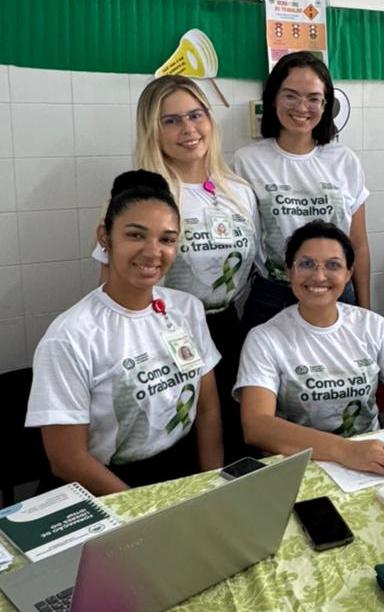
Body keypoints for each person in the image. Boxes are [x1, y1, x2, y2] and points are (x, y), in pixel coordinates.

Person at [93, 75, 258, 463]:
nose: (188, 129)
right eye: (171, 120)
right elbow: (112, 287)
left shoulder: (238, 191)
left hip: (226, 328)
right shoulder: (141, 197)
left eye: (195, 115)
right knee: (180, 449)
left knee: (232, 443)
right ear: (152, 130)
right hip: (161, 335)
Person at [27, 171, 223, 495]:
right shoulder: (70, 336)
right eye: (136, 235)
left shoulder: (187, 309)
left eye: (167, 240)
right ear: (105, 237)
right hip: (105, 487)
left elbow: (207, 409)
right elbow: (67, 459)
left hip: (178, 472)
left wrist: (213, 486)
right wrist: (142, 509)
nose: (153, 252)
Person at [235, 221, 384, 477]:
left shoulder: (371, 326)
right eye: (306, 264)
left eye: (333, 265)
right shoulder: (264, 338)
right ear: (289, 271)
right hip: (302, 467)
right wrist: (345, 450)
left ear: (349, 273)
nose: (319, 276)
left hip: (371, 462)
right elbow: (257, 426)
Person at [234, 51, 370, 331]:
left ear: (325, 104)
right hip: (273, 295)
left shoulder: (344, 160)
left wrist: (366, 311)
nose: (302, 107)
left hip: (335, 292)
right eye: (291, 96)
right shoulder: (247, 161)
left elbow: (358, 244)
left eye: (313, 98)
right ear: (273, 98)